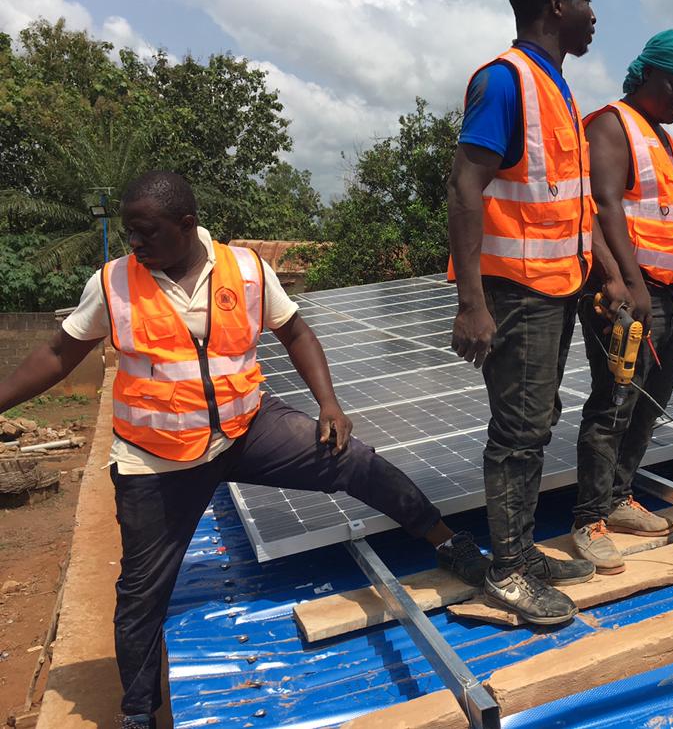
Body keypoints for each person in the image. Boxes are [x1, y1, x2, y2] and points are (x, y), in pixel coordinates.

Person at [0, 172, 489, 728]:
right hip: (158, 460)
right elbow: (59, 352)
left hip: (246, 428)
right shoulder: (112, 283)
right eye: (129, 232)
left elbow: (297, 331)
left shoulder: (247, 269)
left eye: (145, 232)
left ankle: (448, 542)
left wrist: (328, 404)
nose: (134, 243)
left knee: (354, 461)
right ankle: (139, 714)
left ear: (187, 225)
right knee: (142, 593)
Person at [447, 0, 630, 624]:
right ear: (556, 5)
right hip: (515, 293)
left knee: (537, 421)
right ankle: (507, 572)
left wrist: (597, 276)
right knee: (519, 432)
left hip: (554, 289)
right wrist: (471, 302)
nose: (591, 13)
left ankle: (521, 551)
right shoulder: (506, 83)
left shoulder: (554, 83)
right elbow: (466, 186)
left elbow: (564, 204)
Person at [571, 30, 673, 574]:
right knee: (613, 404)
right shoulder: (611, 124)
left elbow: (667, 226)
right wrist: (629, 286)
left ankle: (618, 497)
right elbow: (600, 208)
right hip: (629, 295)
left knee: (650, 402)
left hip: (666, 292)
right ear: (647, 73)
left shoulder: (662, 137)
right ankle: (588, 519)